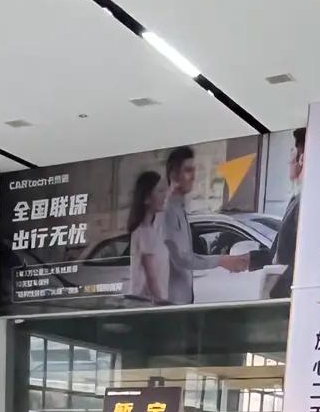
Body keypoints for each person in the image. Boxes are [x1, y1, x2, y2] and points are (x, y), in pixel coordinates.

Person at [161, 146, 238, 305]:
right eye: (188, 170)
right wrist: (221, 260)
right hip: (169, 304)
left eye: (194, 171)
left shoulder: (179, 208)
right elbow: (181, 258)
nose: (193, 177)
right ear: (174, 175)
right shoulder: (167, 210)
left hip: (181, 302)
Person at [242, 125, 305, 298]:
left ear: (302, 158)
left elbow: (301, 258)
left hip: (289, 294)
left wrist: (278, 287)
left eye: (292, 154)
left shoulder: (307, 202)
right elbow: (278, 254)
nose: (289, 162)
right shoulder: (296, 199)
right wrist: (246, 260)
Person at [126, 170, 170, 304]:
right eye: (159, 191)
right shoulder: (143, 233)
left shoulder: (154, 230)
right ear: (146, 198)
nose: (164, 195)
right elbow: (151, 279)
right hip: (146, 305)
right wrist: (164, 304)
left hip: (151, 304)